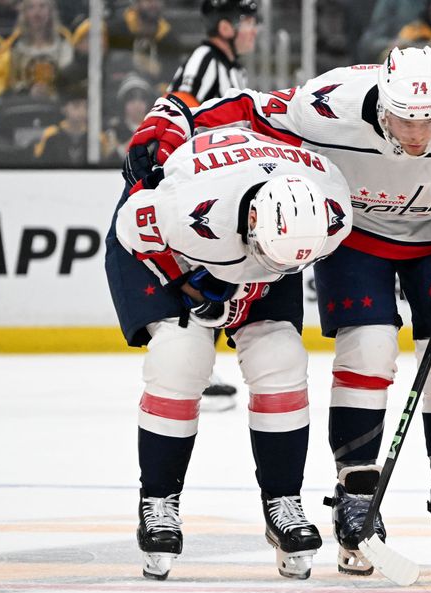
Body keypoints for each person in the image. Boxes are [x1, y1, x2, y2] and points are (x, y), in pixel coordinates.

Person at [124, 46, 431, 576]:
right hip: (357, 232)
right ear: (381, 105)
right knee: (368, 346)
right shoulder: (330, 100)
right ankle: (356, 490)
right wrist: (176, 116)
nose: (415, 136)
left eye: (429, 122)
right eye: (403, 121)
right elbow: (253, 110)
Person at [106, 110, 353, 580]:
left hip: (270, 246)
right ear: (254, 219)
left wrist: (261, 272)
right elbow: (132, 231)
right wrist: (186, 280)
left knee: (280, 358)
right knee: (180, 356)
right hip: (169, 249)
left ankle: (284, 501)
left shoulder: (333, 210)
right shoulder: (181, 206)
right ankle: (157, 501)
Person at [166, 0, 260, 409]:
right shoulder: (206, 59)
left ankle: (196, 369)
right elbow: (177, 112)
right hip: (200, 187)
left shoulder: (231, 66)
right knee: (201, 277)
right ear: (225, 26)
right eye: (247, 22)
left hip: (221, 185)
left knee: (218, 276)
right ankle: (189, 372)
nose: (253, 30)